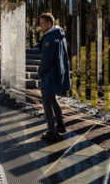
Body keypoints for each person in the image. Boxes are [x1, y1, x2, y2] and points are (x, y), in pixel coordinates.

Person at [38, 13, 70, 142]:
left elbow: (46, 59)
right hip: (57, 73)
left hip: (49, 75)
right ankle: (60, 125)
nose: (40, 26)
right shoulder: (59, 34)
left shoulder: (49, 37)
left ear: (49, 24)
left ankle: (52, 132)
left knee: (46, 102)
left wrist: (41, 71)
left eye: (42, 23)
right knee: (53, 99)